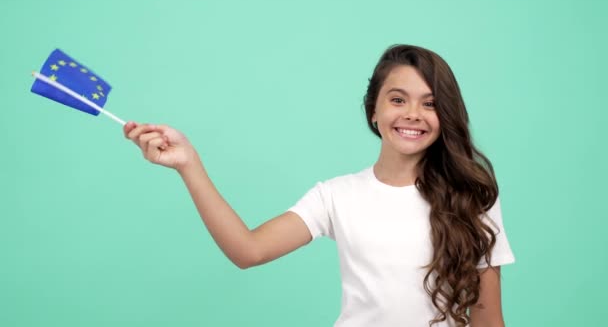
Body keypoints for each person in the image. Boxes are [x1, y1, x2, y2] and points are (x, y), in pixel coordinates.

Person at [124, 44, 515, 327]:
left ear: (445, 115)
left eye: (430, 104)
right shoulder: (336, 196)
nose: (413, 114)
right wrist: (189, 165)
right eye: (398, 99)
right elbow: (248, 250)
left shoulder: (473, 198)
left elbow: (487, 318)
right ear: (374, 111)